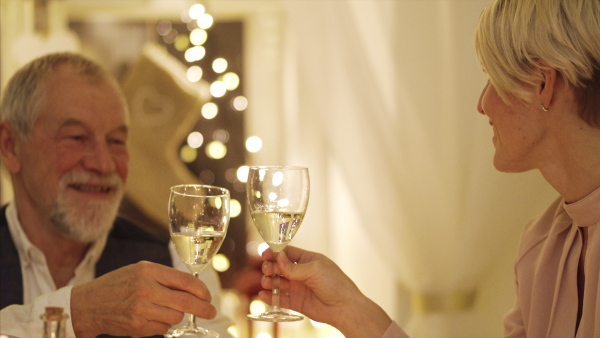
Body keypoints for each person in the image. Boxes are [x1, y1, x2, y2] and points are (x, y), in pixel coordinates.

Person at [257, 0, 600, 337]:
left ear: (544, 83)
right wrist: (349, 309)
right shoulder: (542, 243)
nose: (482, 104)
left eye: (493, 80)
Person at [0, 53, 233, 337]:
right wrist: (77, 314)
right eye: (76, 137)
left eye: (116, 141)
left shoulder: (176, 263)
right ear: (11, 147)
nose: (104, 164)